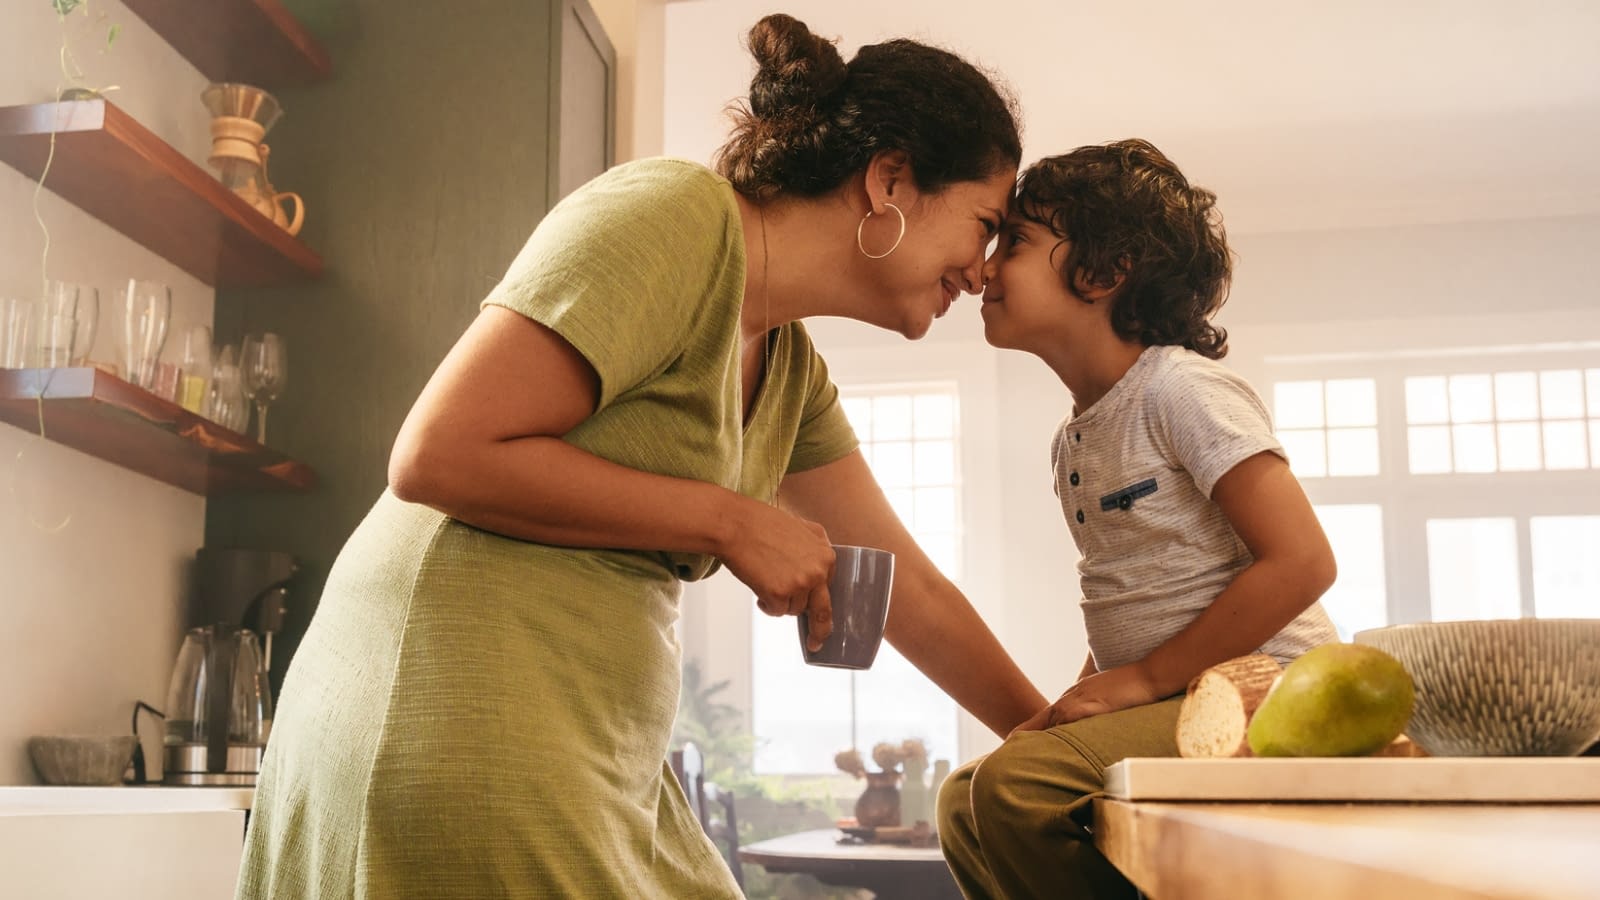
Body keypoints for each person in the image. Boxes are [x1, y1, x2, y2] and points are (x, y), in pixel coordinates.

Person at [235, 13, 1047, 900]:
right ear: (890, 178)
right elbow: (438, 454)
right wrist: (732, 521)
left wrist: (1054, 745)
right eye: (984, 223)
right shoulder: (677, 217)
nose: (982, 270)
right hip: (453, 698)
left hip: (595, 736)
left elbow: (908, 587)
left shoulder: (790, 369)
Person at [937, 139, 1340, 899]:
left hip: (1271, 692)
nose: (984, 268)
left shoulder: (1181, 391)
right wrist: (1085, 697)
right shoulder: (1074, 440)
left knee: (1018, 787)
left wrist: (1144, 679)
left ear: (1103, 272)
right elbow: (1134, 594)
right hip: (1176, 695)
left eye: (1014, 242)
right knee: (965, 799)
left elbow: (1303, 561)